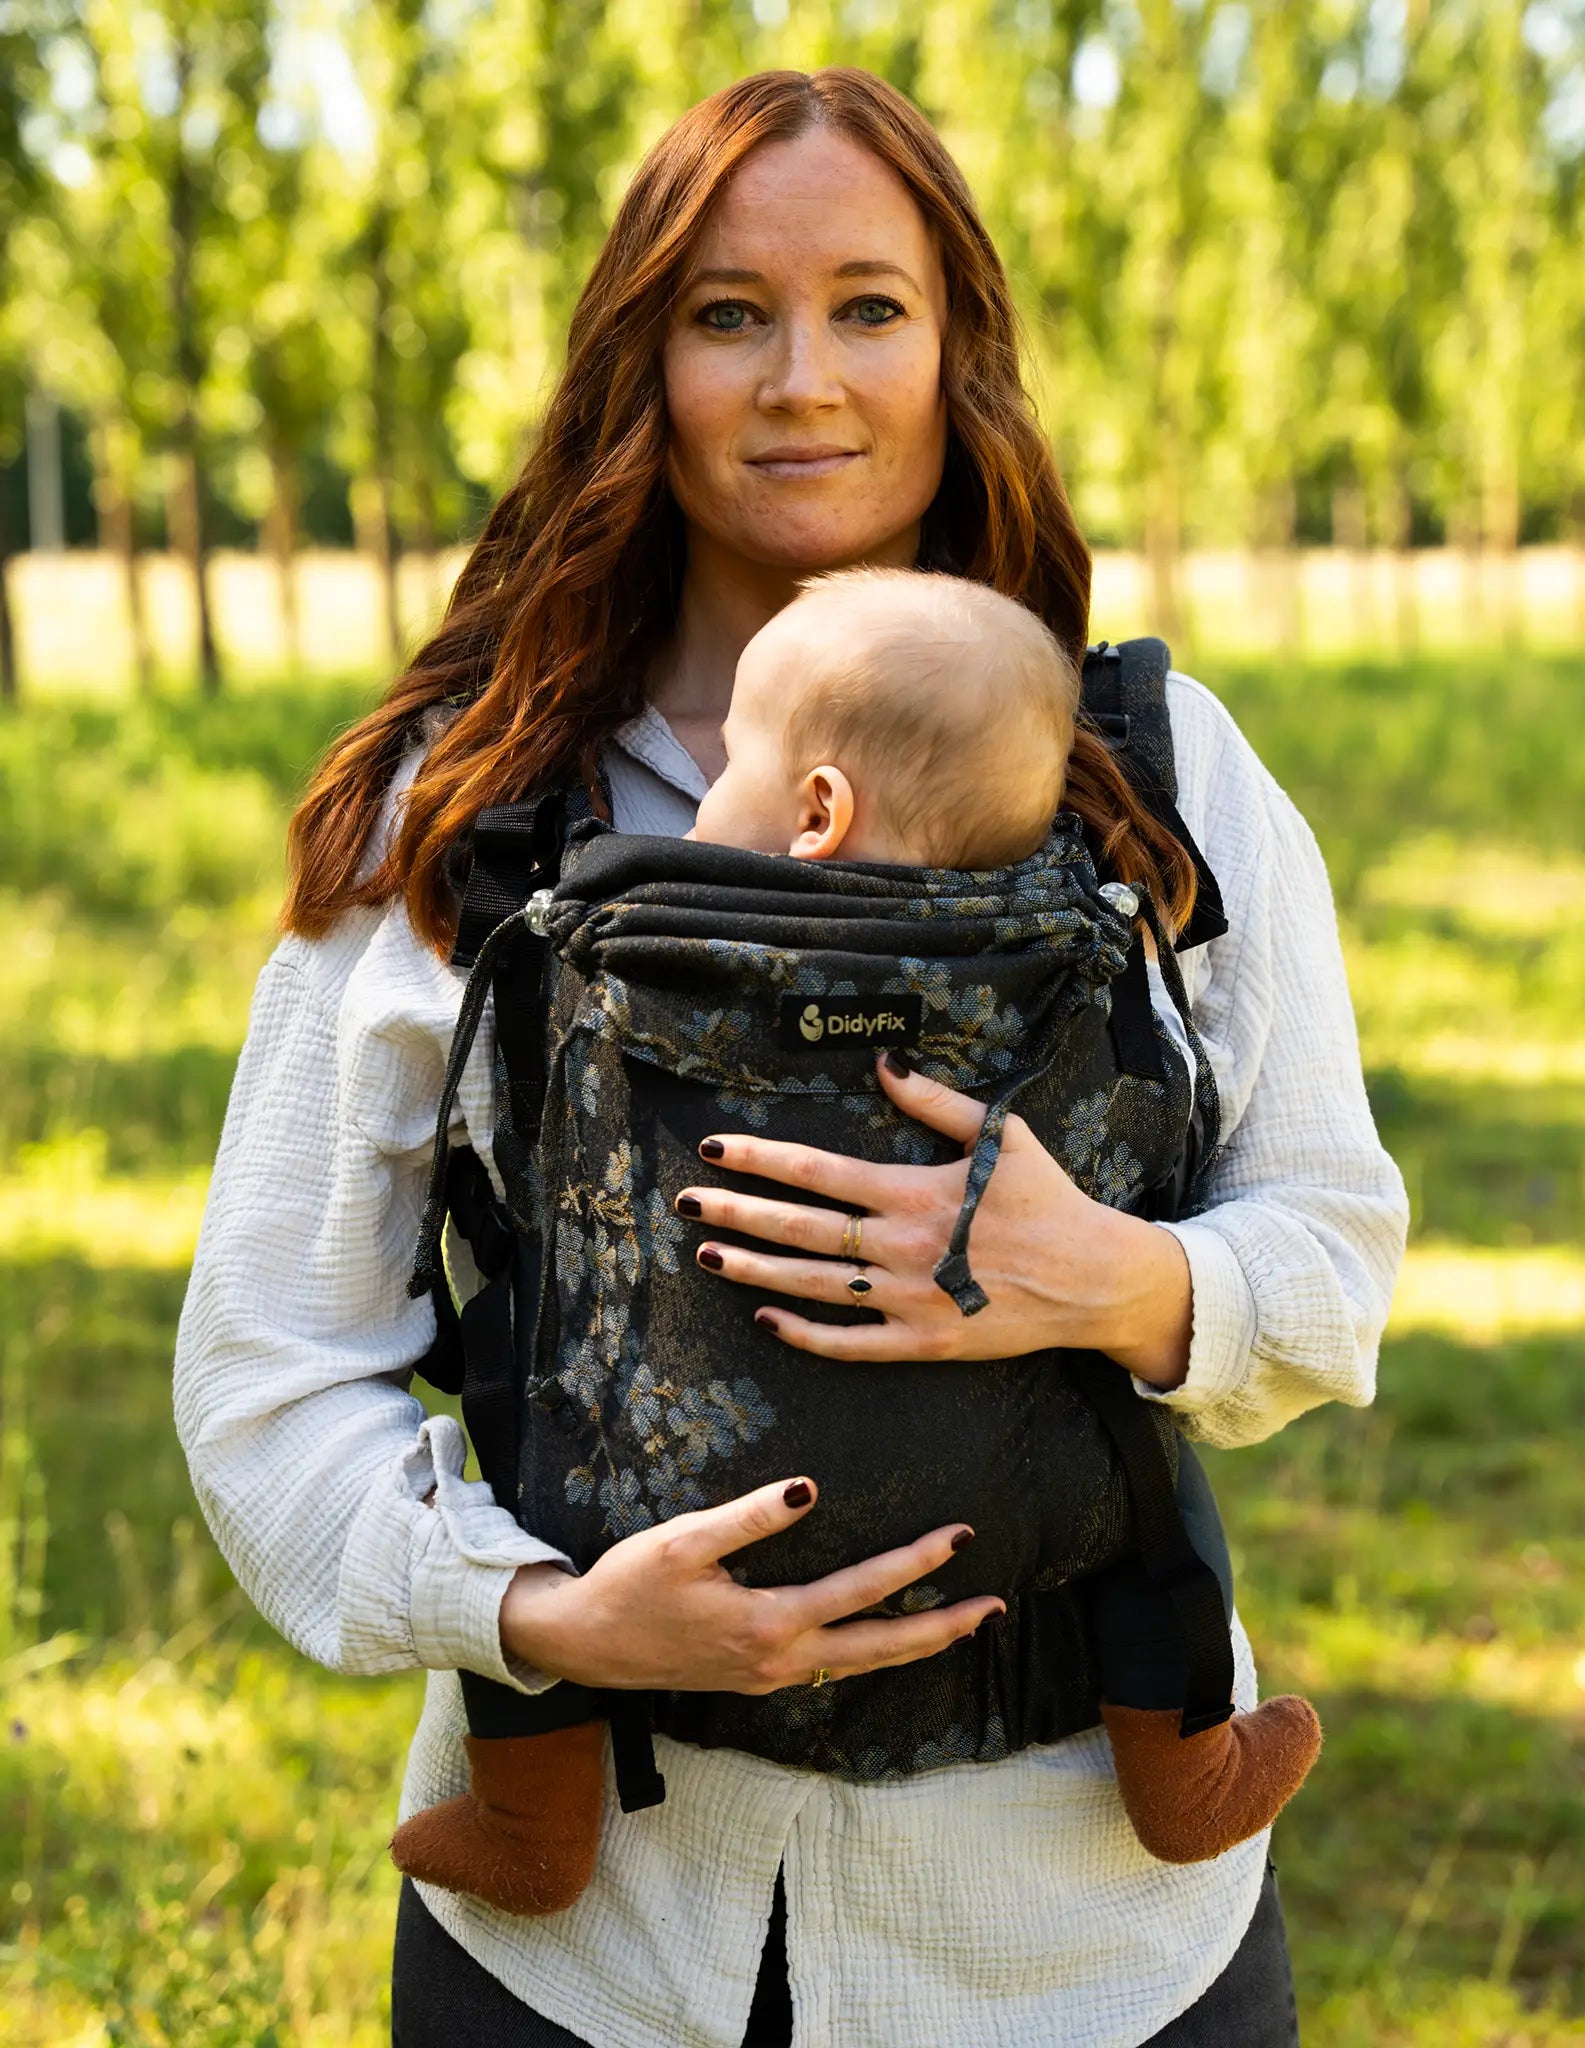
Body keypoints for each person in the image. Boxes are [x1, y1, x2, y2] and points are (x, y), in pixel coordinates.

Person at [174, 66, 1407, 2048]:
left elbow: (1334, 1252)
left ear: (957, 351)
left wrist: (1118, 1276)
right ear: (638, 366)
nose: (801, 380)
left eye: (869, 306)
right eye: (727, 313)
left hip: (1087, 1949)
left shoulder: (1154, 781)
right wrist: (539, 1620)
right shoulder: (465, 809)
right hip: (596, 1967)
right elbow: (269, 1366)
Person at [387, 565, 1322, 1918]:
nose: (704, 805)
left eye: (734, 771)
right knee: (1139, 1486)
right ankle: (1179, 1767)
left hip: (652, 1512)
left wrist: (536, 1616)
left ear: (816, 808)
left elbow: (1330, 1247)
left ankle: (535, 1812)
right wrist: (1132, 1284)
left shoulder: (616, 908)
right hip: (1030, 1506)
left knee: (529, 1429)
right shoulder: (1069, 920)